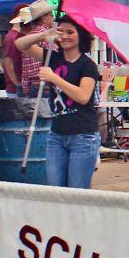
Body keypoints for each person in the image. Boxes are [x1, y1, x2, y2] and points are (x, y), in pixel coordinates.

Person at [37, 16, 101, 190]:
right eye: (61, 31)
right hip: (56, 135)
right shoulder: (53, 57)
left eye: (70, 32)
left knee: (76, 191)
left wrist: (54, 78)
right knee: (55, 190)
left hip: (83, 136)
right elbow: (20, 45)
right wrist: (43, 36)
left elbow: (83, 96)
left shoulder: (88, 65)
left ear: (81, 35)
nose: (64, 36)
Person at [7, 1, 55, 97]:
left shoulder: (28, 38)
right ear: (44, 18)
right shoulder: (46, 36)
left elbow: (26, 69)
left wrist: (25, 87)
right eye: (51, 15)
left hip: (33, 86)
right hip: (45, 85)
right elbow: (55, 60)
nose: (53, 18)